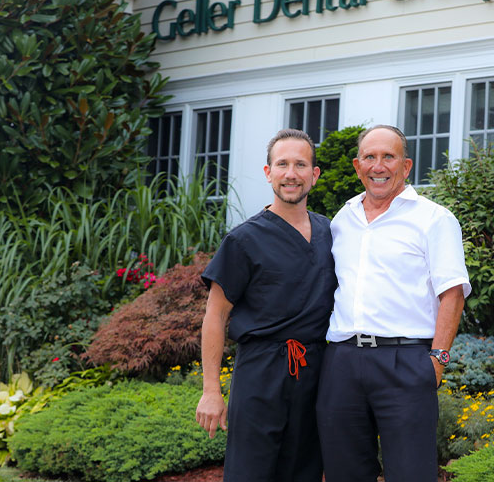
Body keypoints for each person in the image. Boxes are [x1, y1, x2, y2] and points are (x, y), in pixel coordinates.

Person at [316, 125, 471, 482]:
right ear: (358, 166)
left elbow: (452, 293)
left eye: (389, 156)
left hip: (405, 362)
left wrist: (438, 360)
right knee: (344, 472)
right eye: (369, 157)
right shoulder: (343, 220)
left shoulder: (434, 219)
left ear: (406, 166)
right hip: (341, 360)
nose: (378, 165)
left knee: (411, 474)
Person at [195, 129, 337, 482]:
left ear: (314, 174)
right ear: (268, 172)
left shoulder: (332, 234)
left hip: (316, 370)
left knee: (304, 470)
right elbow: (215, 316)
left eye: (300, 164)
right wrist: (211, 391)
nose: (291, 173)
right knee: (251, 473)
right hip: (261, 372)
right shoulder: (244, 240)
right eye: (282, 164)